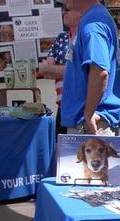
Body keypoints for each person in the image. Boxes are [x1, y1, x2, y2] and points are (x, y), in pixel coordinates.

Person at [61, 0, 120, 135]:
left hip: (90, 125)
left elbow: (100, 73)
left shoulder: (93, 24)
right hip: (90, 122)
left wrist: (88, 114)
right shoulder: (95, 17)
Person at [38, 1, 81, 136]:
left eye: (67, 10)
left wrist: (57, 70)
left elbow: (85, 71)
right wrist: (71, 70)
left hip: (81, 107)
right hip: (62, 107)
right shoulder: (61, 38)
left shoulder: (86, 36)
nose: (63, 13)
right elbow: (44, 70)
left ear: (79, 12)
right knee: (60, 150)